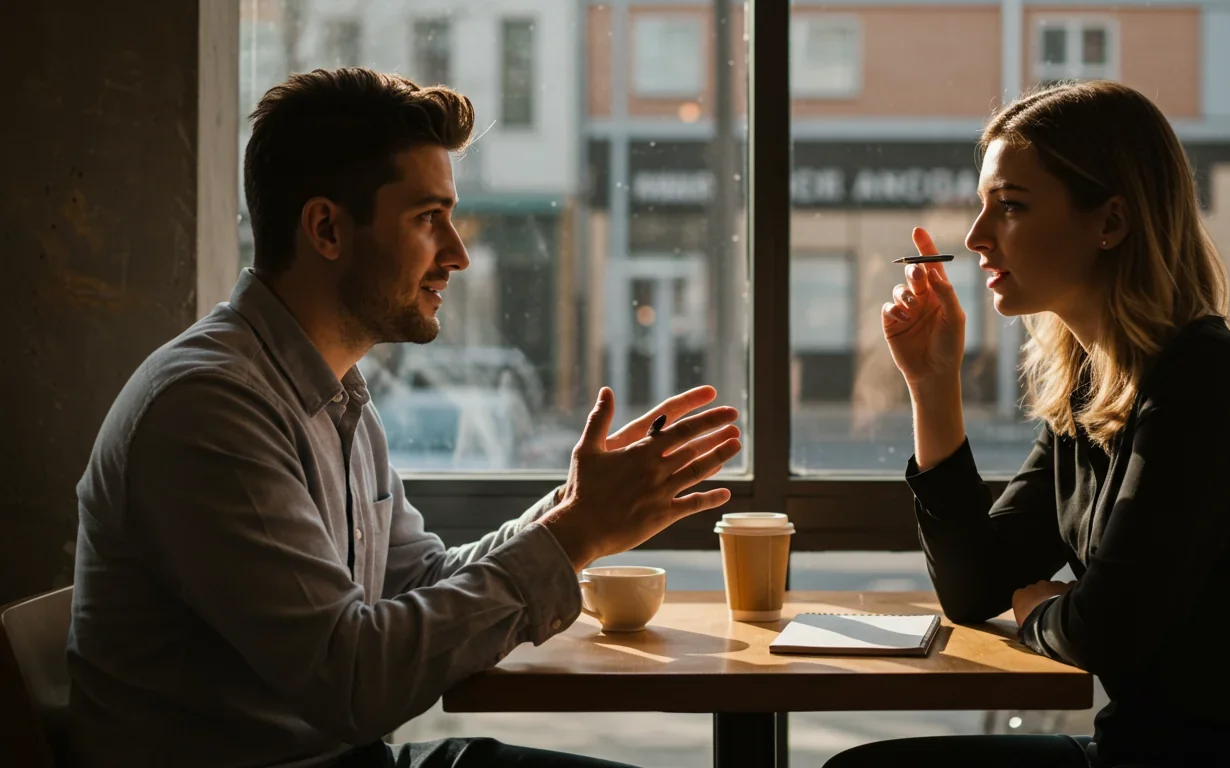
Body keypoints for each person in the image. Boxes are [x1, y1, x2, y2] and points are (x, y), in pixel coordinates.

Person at [67, 68, 742, 768]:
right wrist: (572, 538)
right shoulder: (210, 408)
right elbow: (353, 679)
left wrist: (570, 513)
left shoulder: (332, 393)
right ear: (327, 228)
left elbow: (418, 582)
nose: (458, 254)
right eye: (428, 219)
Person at [825, 81, 1230, 767]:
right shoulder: (1094, 388)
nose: (976, 237)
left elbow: (1107, 631)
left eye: (1010, 207)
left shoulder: (1206, 381)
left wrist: (1042, 612)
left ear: (1111, 222)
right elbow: (974, 585)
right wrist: (933, 387)